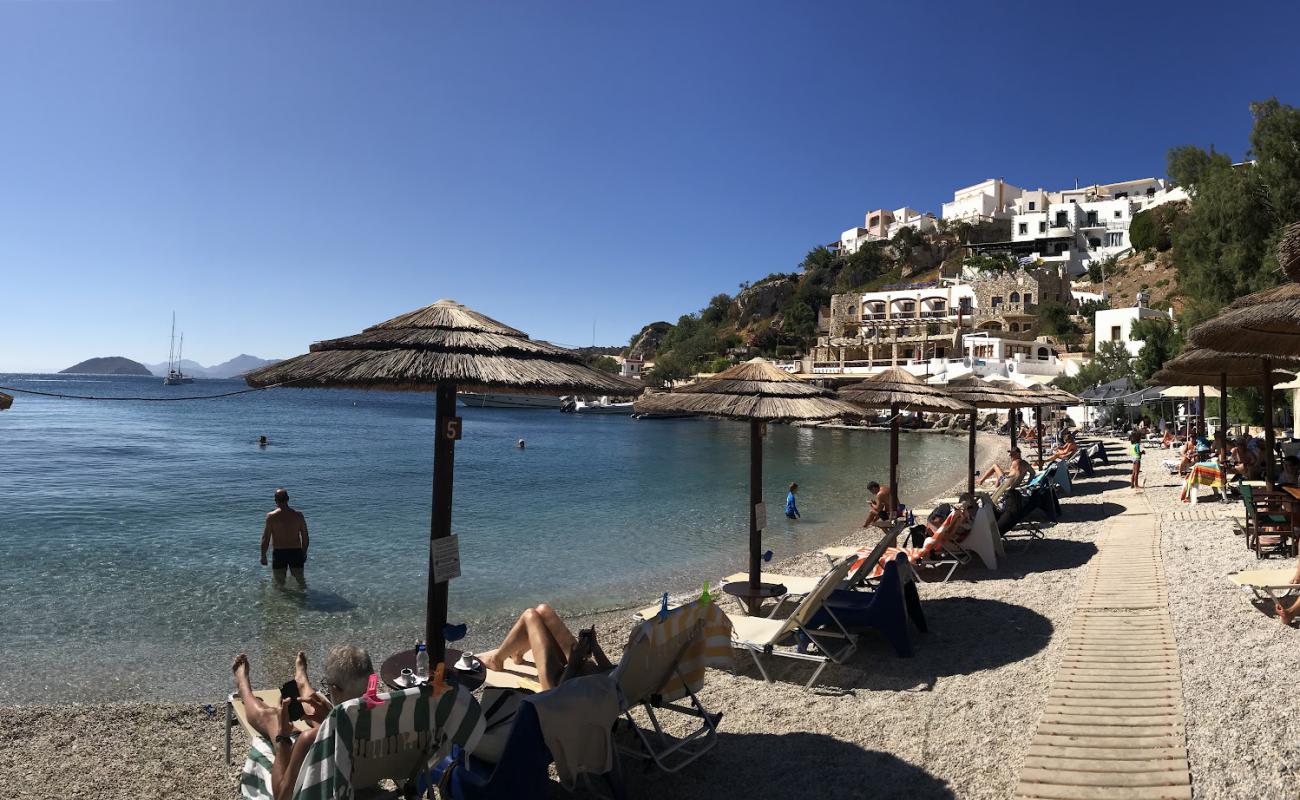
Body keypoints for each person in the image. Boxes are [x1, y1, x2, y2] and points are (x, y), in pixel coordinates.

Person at [231, 646, 373, 800]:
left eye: (327, 684)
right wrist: (324, 720)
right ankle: (302, 682)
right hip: (352, 776)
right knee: (319, 707)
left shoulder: (308, 739)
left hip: (320, 786)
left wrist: (282, 737)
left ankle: (243, 688)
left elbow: (282, 796)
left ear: (334, 688)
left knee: (270, 716)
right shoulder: (381, 717)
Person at [479, 603, 610, 690]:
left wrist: (573, 665)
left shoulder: (614, 689)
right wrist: (594, 645)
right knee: (543, 610)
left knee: (530, 615)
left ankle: (496, 660)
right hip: (582, 669)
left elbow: (562, 691)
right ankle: (516, 654)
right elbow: (609, 670)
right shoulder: (627, 670)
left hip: (561, 686)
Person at [261, 488, 309, 588]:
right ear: (288, 499)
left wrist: (263, 555)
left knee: (279, 584)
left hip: (279, 553)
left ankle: (281, 603)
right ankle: (303, 602)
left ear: (275, 500)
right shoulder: (298, 516)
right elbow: (305, 536)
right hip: (296, 552)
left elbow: (266, 538)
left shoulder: (271, 517)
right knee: (300, 581)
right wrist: (303, 553)